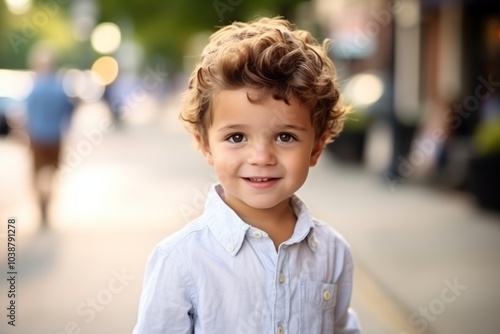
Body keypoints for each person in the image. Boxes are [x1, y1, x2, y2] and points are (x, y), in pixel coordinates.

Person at [133, 16, 362, 333]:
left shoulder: (332, 251)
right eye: (237, 137)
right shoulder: (180, 259)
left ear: (316, 147)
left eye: (285, 137)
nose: (261, 157)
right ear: (205, 145)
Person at [25, 42, 74, 226]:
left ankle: (41, 201)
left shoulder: (34, 86)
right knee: (52, 174)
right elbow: (68, 111)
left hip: (36, 137)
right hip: (55, 136)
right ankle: (47, 199)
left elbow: (26, 113)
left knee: (37, 173)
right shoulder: (60, 86)